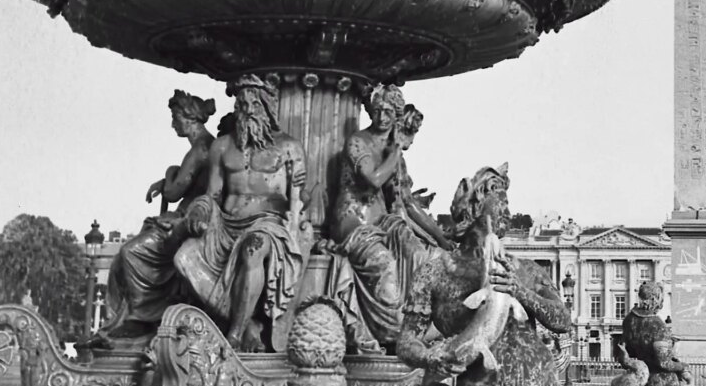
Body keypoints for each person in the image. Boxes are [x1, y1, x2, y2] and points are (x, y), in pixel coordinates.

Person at [397, 163, 570, 386]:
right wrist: (430, 357)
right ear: (473, 207)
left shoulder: (526, 270)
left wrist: (521, 292)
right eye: (500, 202)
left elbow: (561, 321)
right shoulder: (435, 272)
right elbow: (405, 342)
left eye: (507, 203)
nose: (507, 210)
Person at [173, 74, 310, 352]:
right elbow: (212, 194)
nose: (247, 110)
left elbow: (298, 199)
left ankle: (233, 335)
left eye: (254, 104)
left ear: (267, 108)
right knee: (182, 257)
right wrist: (200, 211)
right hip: (225, 224)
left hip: (267, 224)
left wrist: (297, 222)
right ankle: (246, 323)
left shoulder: (288, 148)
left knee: (252, 250)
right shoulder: (222, 146)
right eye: (242, 104)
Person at [92, 91, 217, 346]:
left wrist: (169, 173)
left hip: (188, 221)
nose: (173, 124)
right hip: (189, 216)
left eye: (175, 118)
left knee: (129, 252)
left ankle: (140, 317)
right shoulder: (205, 146)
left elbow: (173, 192)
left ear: (189, 118)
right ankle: (135, 315)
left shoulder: (200, 149)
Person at [329, 87, 444, 348]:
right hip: (354, 222)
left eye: (389, 112)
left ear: (396, 116)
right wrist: (397, 150)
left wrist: (441, 238)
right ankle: (391, 334)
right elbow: (373, 180)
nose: (382, 117)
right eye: (378, 111)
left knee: (418, 254)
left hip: (383, 222)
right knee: (384, 263)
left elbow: (407, 202)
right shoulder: (358, 142)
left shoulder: (394, 152)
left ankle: (417, 324)